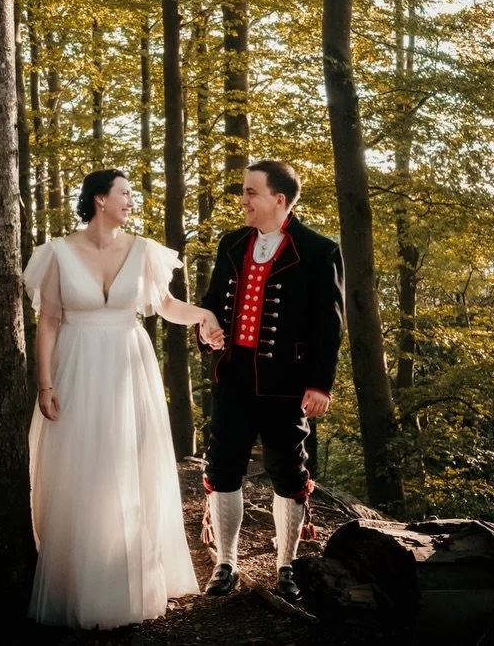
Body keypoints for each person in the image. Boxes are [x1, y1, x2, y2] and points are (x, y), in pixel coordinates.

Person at [22, 168, 225, 630]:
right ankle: (84, 585)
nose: (132, 201)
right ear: (99, 199)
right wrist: (45, 384)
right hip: (78, 365)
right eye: (125, 193)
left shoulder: (144, 250)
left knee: (131, 464)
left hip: (130, 365)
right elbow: (49, 322)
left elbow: (168, 306)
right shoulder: (57, 253)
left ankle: (132, 576)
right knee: (83, 467)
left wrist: (205, 315)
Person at [197, 159, 345, 601]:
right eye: (244, 192)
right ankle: (226, 563)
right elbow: (211, 306)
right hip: (234, 377)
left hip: (287, 383)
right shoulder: (231, 244)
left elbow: (328, 325)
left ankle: (287, 566)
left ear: (278, 200)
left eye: (251, 193)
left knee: (287, 471)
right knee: (223, 468)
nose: (243, 200)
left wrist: (320, 384)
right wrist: (208, 334)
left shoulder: (318, 250)